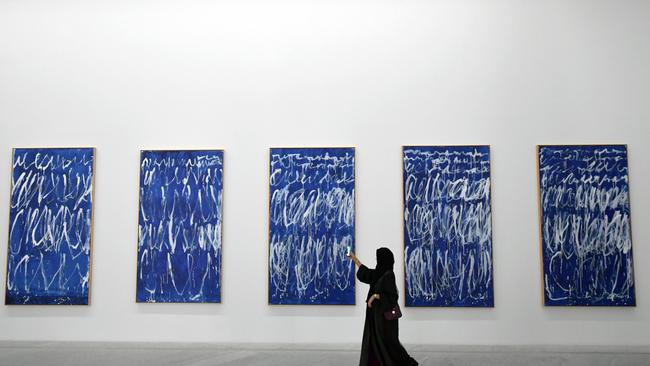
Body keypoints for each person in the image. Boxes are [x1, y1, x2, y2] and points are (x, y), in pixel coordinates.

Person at [348, 247, 419, 366]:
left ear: (384, 260)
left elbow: (392, 297)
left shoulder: (389, 275)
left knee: (389, 343)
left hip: (385, 319)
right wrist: (355, 260)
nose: (377, 260)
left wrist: (375, 296)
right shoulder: (379, 273)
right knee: (374, 341)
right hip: (375, 317)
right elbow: (368, 274)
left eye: (378, 258)